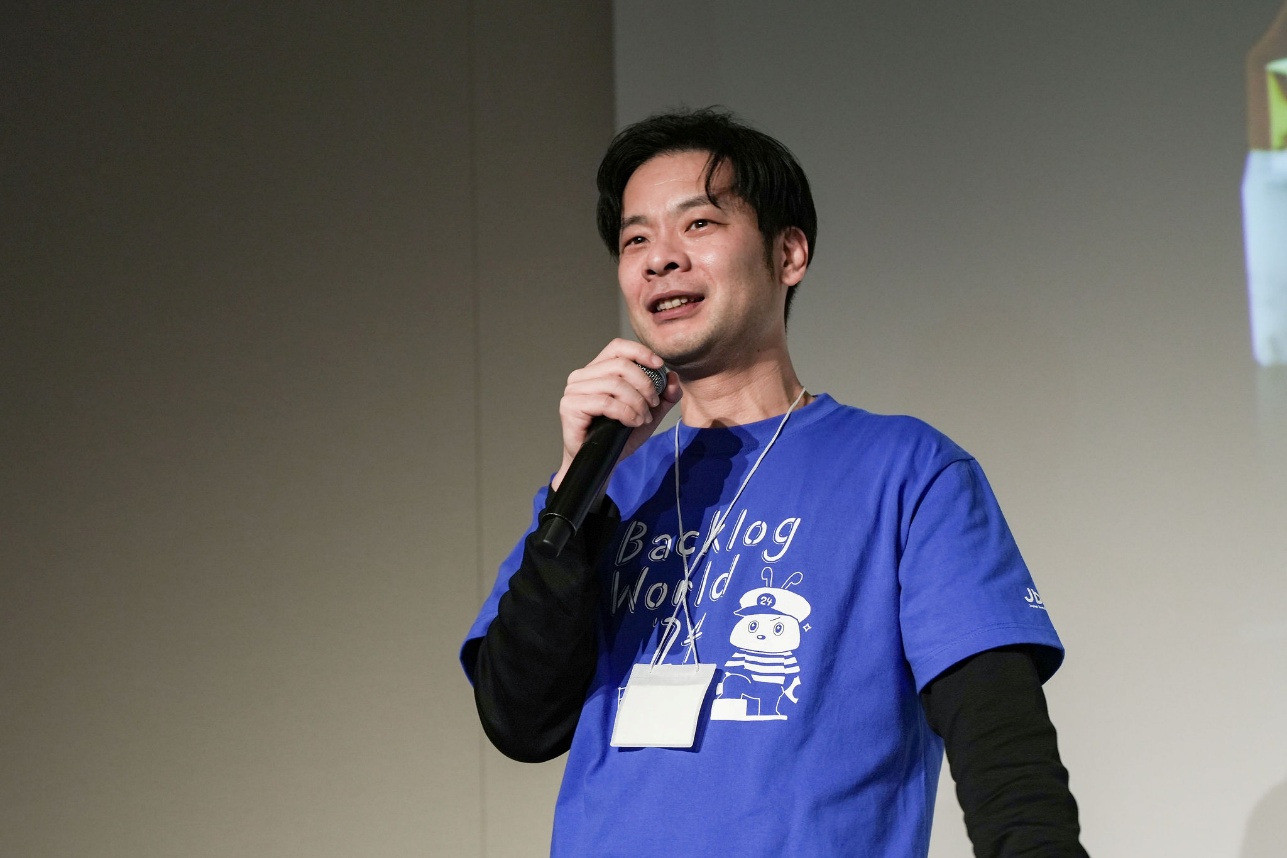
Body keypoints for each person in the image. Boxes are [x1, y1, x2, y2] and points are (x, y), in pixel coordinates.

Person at [461, 108, 1087, 857]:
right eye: (635, 240)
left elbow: (1005, 756)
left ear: (788, 254)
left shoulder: (906, 470)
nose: (659, 261)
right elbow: (522, 722)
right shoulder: (603, 491)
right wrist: (576, 482)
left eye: (697, 224)